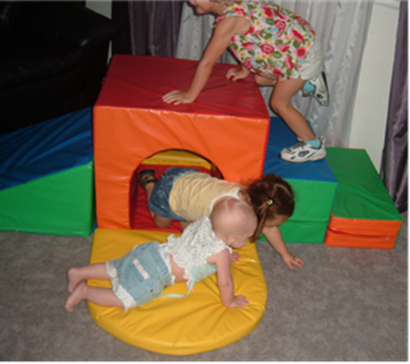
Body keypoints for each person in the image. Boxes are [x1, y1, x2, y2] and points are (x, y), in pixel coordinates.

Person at [163, 0, 330, 163]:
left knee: (279, 103)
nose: (191, 2)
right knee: (259, 78)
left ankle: (313, 145)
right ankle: (309, 83)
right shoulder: (236, 6)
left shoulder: (229, 21)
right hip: (298, 43)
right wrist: (244, 69)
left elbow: (207, 63)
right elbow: (252, 41)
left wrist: (189, 95)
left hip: (304, 54)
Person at [65, 198, 257, 313]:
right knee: (124, 298)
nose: (248, 240)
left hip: (154, 251)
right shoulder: (220, 253)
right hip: (155, 272)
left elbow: (199, 245)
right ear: (231, 238)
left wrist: (222, 258)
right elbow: (225, 283)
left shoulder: (207, 222)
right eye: (246, 237)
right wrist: (229, 301)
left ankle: (79, 272)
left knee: (116, 267)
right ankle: (85, 292)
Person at [140, 167, 304, 270]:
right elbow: (213, 238)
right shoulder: (230, 215)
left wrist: (285, 253)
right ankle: (150, 185)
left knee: (189, 223)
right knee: (160, 222)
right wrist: (222, 253)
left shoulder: (254, 197)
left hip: (189, 177)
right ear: (259, 215)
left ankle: (186, 215)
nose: (270, 227)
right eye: (271, 223)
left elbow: (270, 229)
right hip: (169, 193)